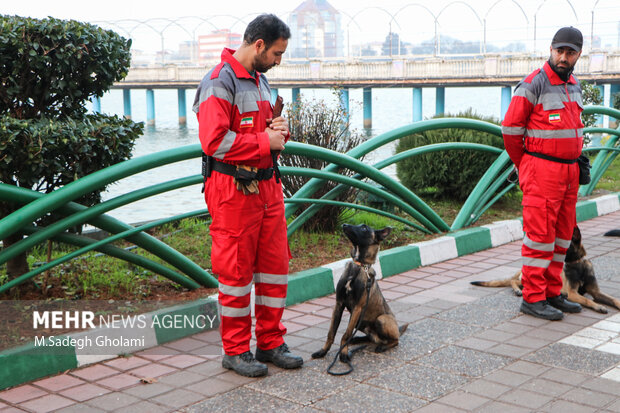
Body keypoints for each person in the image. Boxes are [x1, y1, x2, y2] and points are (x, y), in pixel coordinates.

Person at [193, 14, 302, 377]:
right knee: (235, 272)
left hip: (267, 188)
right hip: (232, 191)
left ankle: (270, 342)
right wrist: (263, 141)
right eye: (276, 53)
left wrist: (277, 131)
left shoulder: (260, 80)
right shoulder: (217, 82)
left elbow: (263, 133)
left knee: (275, 267)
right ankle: (236, 350)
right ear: (258, 45)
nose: (278, 61)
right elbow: (214, 141)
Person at [502, 26, 586, 321]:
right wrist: (523, 165)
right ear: (551, 50)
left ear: (578, 55)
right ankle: (532, 297)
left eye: (570, 52)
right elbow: (511, 130)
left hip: (569, 171)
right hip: (542, 170)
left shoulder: (573, 83)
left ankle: (552, 292)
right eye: (559, 51)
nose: (563, 57)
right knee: (539, 237)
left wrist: (577, 155)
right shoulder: (533, 84)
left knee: (562, 236)